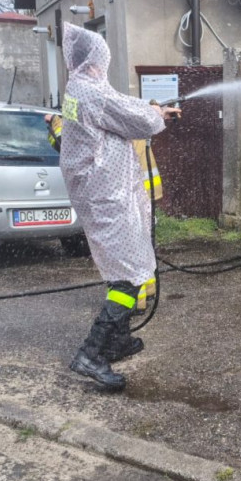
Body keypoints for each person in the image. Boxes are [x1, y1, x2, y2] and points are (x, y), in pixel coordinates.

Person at [59, 24, 179, 392]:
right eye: (101, 60)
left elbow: (122, 107)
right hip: (106, 196)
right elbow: (134, 118)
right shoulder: (89, 90)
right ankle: (92, 353)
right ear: (94, 61)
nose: (103, 66)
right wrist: (156, 114)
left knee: (122, 266)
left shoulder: (80, 89)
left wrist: (152, 108)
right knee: (127, 275)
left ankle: (117, 340)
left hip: (104, 192)